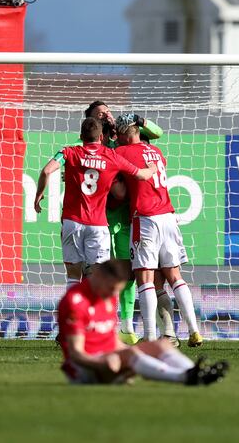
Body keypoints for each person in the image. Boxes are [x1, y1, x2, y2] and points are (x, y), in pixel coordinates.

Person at [57, 259, 226, 385]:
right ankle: (185, 377)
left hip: (112, 358)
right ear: (99, 276)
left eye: (116, 291)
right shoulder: (75, 301)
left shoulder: (107, 296)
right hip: (84, 370)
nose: (111, 295)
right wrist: (104, 362)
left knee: (162, 345)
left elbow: (111, 341)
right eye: (110, 289)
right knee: (132, 355)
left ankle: (197, 372)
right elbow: (75, 354)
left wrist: (129, 354)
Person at [33, 118, 157, 289]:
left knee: (73, 277)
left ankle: (73, 313)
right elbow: (142, 175)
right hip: (98, 225)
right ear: (100, 137)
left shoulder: (69, 152)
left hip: (72, 222)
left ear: (81, 136)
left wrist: (38, 195)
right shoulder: (111, 156)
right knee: (99, 276)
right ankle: (97, 315)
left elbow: (46, 171)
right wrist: (152, 168)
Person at [83, 100, 169, 345]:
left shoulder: (125, 133)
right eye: (100, 114)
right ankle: (98, 323)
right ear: (93, 121)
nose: (107, 115)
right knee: (100, 269)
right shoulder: (94, 144)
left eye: (108, 111)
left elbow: (157, 133)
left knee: (130, 270)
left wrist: (139, 120)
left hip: (128, 214)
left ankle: (127, 326)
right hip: (102, 215)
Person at [115, 115, 203, 348]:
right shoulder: (156, 152)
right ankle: (194, 330)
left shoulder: (123, 153)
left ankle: (150, 336)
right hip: (168, 217)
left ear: (125, 133)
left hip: (145, 218)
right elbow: (156, 133)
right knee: (175, 276)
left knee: (146, 279)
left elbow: (119, 191)